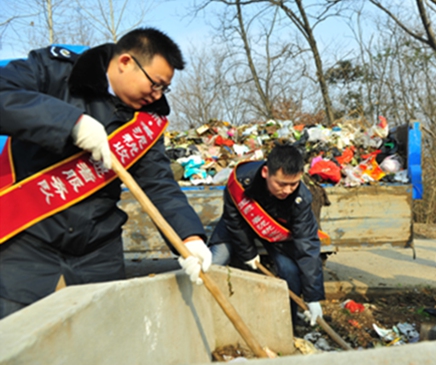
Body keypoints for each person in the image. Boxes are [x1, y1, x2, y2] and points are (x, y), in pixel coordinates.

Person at [0, 28, 211, 319]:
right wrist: (68, 123)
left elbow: (159, 184)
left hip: (97, 245)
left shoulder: (146, 121)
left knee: (104, 333)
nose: (157, 95)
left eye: (165, 88)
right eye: (155, 84)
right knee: (16, 337)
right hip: (29, 236)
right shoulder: (54, 71)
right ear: (125, 61)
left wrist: (189, 237)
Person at [208, 144, 325, 329]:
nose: (287, 190)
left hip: (275, 232)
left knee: (290, 271)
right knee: (214, 262)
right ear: (265, 172)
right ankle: (207, 317)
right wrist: (248, 252)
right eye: (281, 184)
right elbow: (233, 219)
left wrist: (313, 297)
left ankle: (289, 323)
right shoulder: (241, 180)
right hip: (240, 226)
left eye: (293, 184)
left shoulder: (301, 199)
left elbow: (307, 245)